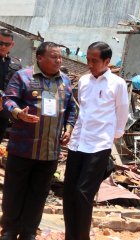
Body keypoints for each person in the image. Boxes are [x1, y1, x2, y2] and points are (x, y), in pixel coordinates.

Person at [0, 41, 77, 240]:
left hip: (49, 151)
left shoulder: (65, 81)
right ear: (40, 57)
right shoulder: (23, 76)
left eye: (60, 57)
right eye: (54, 56)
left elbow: (71, 109)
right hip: (22, 148)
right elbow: (8, 99)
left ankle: (29, 232)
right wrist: (18, 113)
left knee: (38, 195)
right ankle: (9, 230)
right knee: (14, 191)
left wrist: (68, 129)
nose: (58, 60)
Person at [63, 41, 129, 240]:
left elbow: (122, 112)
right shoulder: (83, 81)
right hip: (78, 143)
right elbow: (81, 111)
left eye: (94, 60)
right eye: (88, 60)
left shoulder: (117, 84)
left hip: (99, 145)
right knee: (69, 193)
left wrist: (112, 136)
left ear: (106, 61)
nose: (89, 64)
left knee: (84, 193)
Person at [0, 28, 21, 142]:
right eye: (0, 43)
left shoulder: (16, 65)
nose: (3, 47)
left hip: (3, 112)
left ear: (12, 45)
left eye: (6, 44)